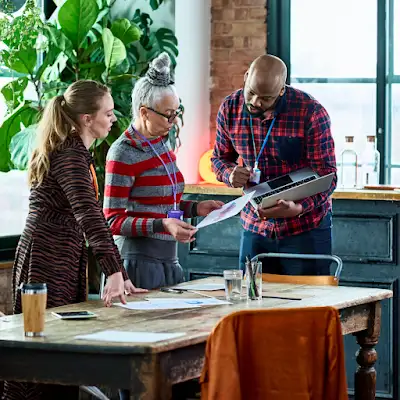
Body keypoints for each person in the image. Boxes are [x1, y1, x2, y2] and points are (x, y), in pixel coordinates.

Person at [2, 80, 146, 400]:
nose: (113, 119)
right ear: (86, 119)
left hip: (57, 257)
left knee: (57, 354)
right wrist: (115, 271)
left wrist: (116, 272)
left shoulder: (75, 150)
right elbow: (89, 215)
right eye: (107, 113)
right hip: (45, 261)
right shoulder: (69, 153)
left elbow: (88, 215)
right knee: (42, 354)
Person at [104, 52, 223, 292]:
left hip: (169, 259)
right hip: (137, 263)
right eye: (168, 114)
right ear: (144, 112)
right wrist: (163, 225)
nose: (173, 121)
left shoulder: (161, 143)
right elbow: (112, 221)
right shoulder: (123, 153)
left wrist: (196, 208)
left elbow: (163, 203)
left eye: (176, 113)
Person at [211, 54, 337, 276]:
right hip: (255, 228)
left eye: (266, 98)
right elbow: (219, 159)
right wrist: (229, 174)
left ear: (282, 90)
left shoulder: (311, 112)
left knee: (306, 306)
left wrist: (298, 208)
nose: (255, 102)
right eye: (251, 92)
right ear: (246, 76)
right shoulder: (230, 109)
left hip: (305, 229)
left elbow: (328, 175)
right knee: (252, 302)